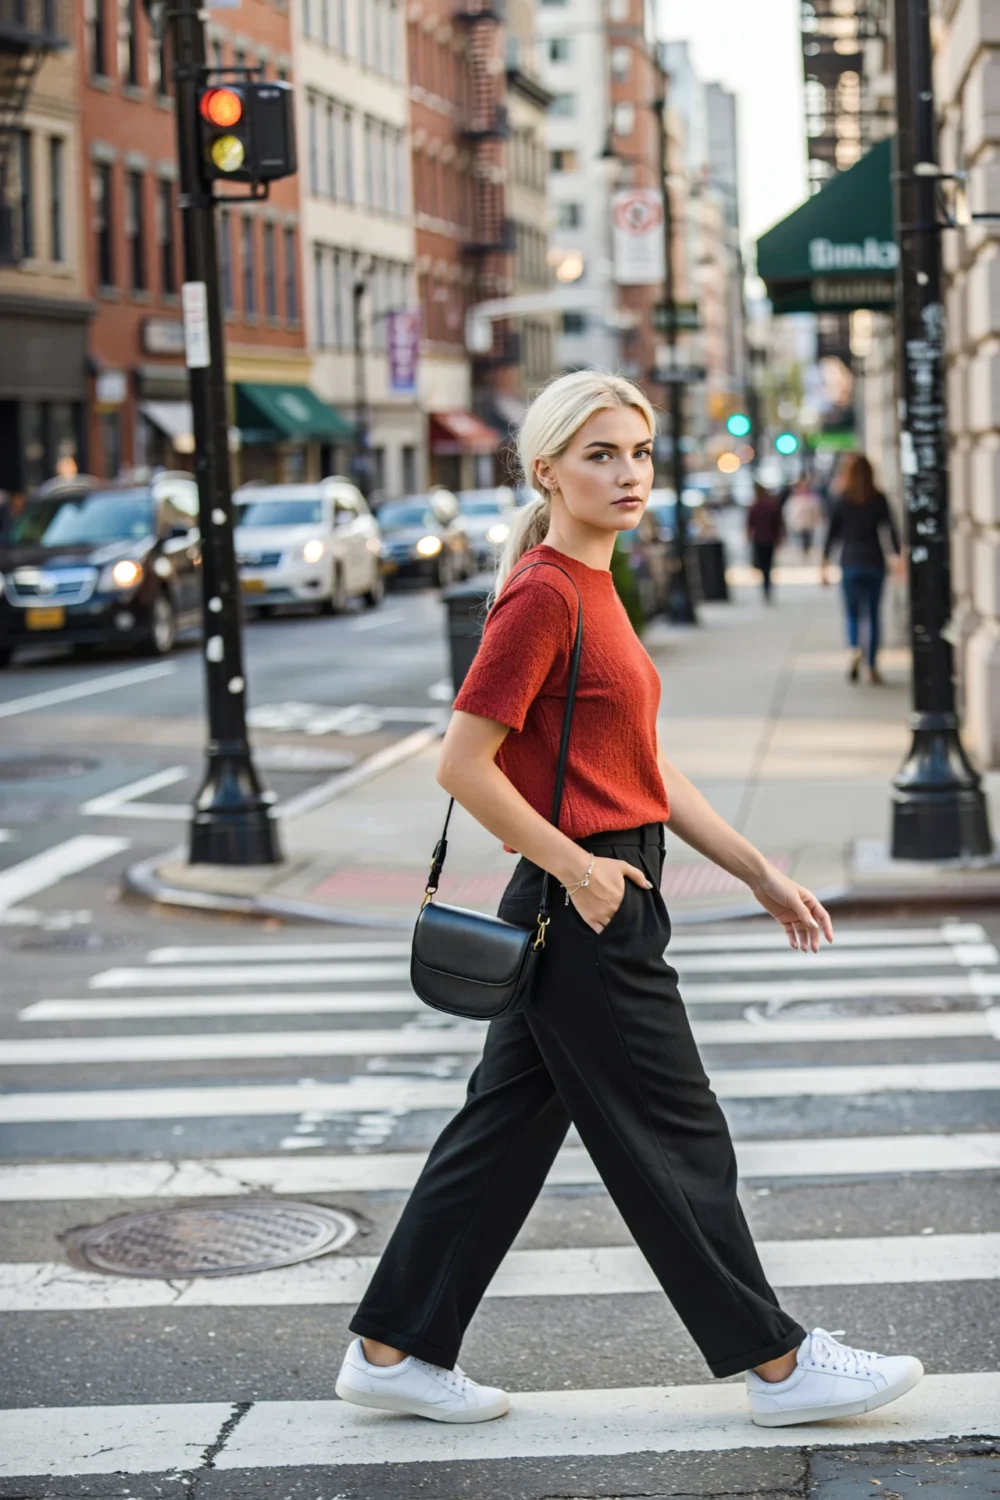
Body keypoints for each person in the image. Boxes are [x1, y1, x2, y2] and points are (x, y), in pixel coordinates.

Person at [335, 370, 923, 1431]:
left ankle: (393, 1347)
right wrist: (577, 869)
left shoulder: (598, 586)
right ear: (546, 469)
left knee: (504, 1128)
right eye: (600, 454)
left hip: (598, 880)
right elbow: (463, 765)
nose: (627, 473)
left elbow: (644, 763)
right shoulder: (543, 591)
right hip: (588, 895)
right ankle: (778, 1365)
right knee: (675, 1126)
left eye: (640, 452)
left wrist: (756, 870)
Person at [822, 453, 902, 684]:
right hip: (874, 562)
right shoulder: (878, 498)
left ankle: (855, 647)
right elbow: (891, 530)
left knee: (853, 614)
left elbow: (831, 535)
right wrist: (898, 558)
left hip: (850, 562)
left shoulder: (842, 499)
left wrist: (824, 565)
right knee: (873, 615)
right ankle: (872, 666)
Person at [746, 482, 783, 601]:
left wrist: (748, 537)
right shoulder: (771, 505)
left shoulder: (755, 506)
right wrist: (779, 538)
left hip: (759, 539)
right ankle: (767, 586)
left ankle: (765, 585)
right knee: (768, 564)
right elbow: (778, 524)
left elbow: (749, 524)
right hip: (769, 539)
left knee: (762, 564)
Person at [785, 476, 824, 556]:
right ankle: (802, 553)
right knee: (800, 540)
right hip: (799, 524)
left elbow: (817, 511)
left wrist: (817, 520)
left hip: (809, 523)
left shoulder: (812, 498)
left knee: (808, 540)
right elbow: (790, 512)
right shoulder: (794, 499)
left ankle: (806, 552)